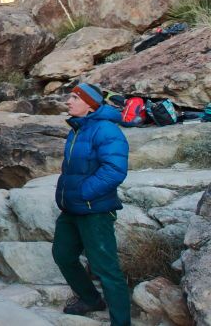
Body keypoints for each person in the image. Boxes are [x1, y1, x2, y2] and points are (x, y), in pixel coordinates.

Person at [52, 82, 131, 326]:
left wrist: (85, 192)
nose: (69, 101)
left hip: (94, 210)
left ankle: (121, 322)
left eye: (75, 97)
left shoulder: (107, 130)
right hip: (72, 208)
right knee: (63, 254)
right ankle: (90, 299)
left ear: (90, 104)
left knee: (106, 268)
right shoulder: (77, 128)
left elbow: (115, 170)